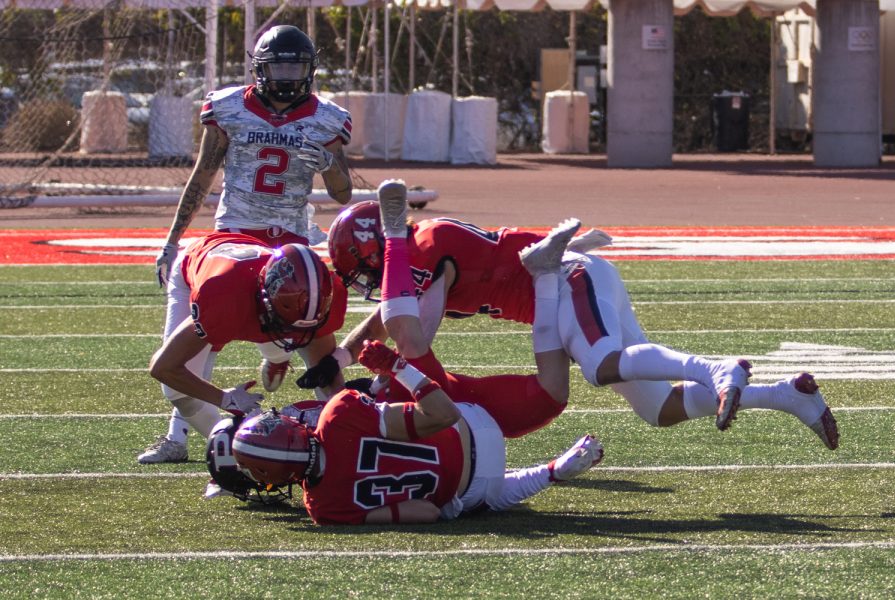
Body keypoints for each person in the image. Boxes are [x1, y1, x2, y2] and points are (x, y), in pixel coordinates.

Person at [311, 193, 839, 450]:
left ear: (383, 251)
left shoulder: (423, 248)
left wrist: (391, 371)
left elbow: (413, 332)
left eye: (369, 272)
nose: (370, 286)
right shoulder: (415, 261)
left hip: (566, 279)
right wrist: (339, 357)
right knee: (659, 409)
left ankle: (716, 367)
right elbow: (391, 312)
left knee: (603, 365)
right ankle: (787, 395)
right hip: (561, 296)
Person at [225, 180, 603, 524]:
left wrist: (374, 371)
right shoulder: (337, 420)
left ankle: (541, 278)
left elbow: (411, 329)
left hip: (467, 479)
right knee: (548, 396)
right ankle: (547, 277)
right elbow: (391, 326)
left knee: (409, 338)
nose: (363, 282)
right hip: (456, 413)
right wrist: (360, 365)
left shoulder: (325, 506)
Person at [142, 24, 353, 462]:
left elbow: (342, 193)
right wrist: (172, 240)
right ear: (260, 67)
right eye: (280, 64)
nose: (289, 74)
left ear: (310, 68)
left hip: (290, 245)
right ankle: (186, 436)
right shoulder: (229, 107)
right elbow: (202, 177)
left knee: (292, 325)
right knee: (199, 342)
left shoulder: (326, 117)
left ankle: (275, 366)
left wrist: (330, 162)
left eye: (296, 64)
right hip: (232, 238)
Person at [141, 232, 348, 465]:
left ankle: (277, 358)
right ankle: (236, 449)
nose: (293, 331)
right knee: (176, 391)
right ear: (265, 298)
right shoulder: (223, 297)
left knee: (306, 354)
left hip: (250, 270)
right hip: (196, 266)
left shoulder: (328, 293)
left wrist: (344, 428)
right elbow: (164, 367)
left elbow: (328, 374)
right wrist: (224, 399)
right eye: (284, 322)